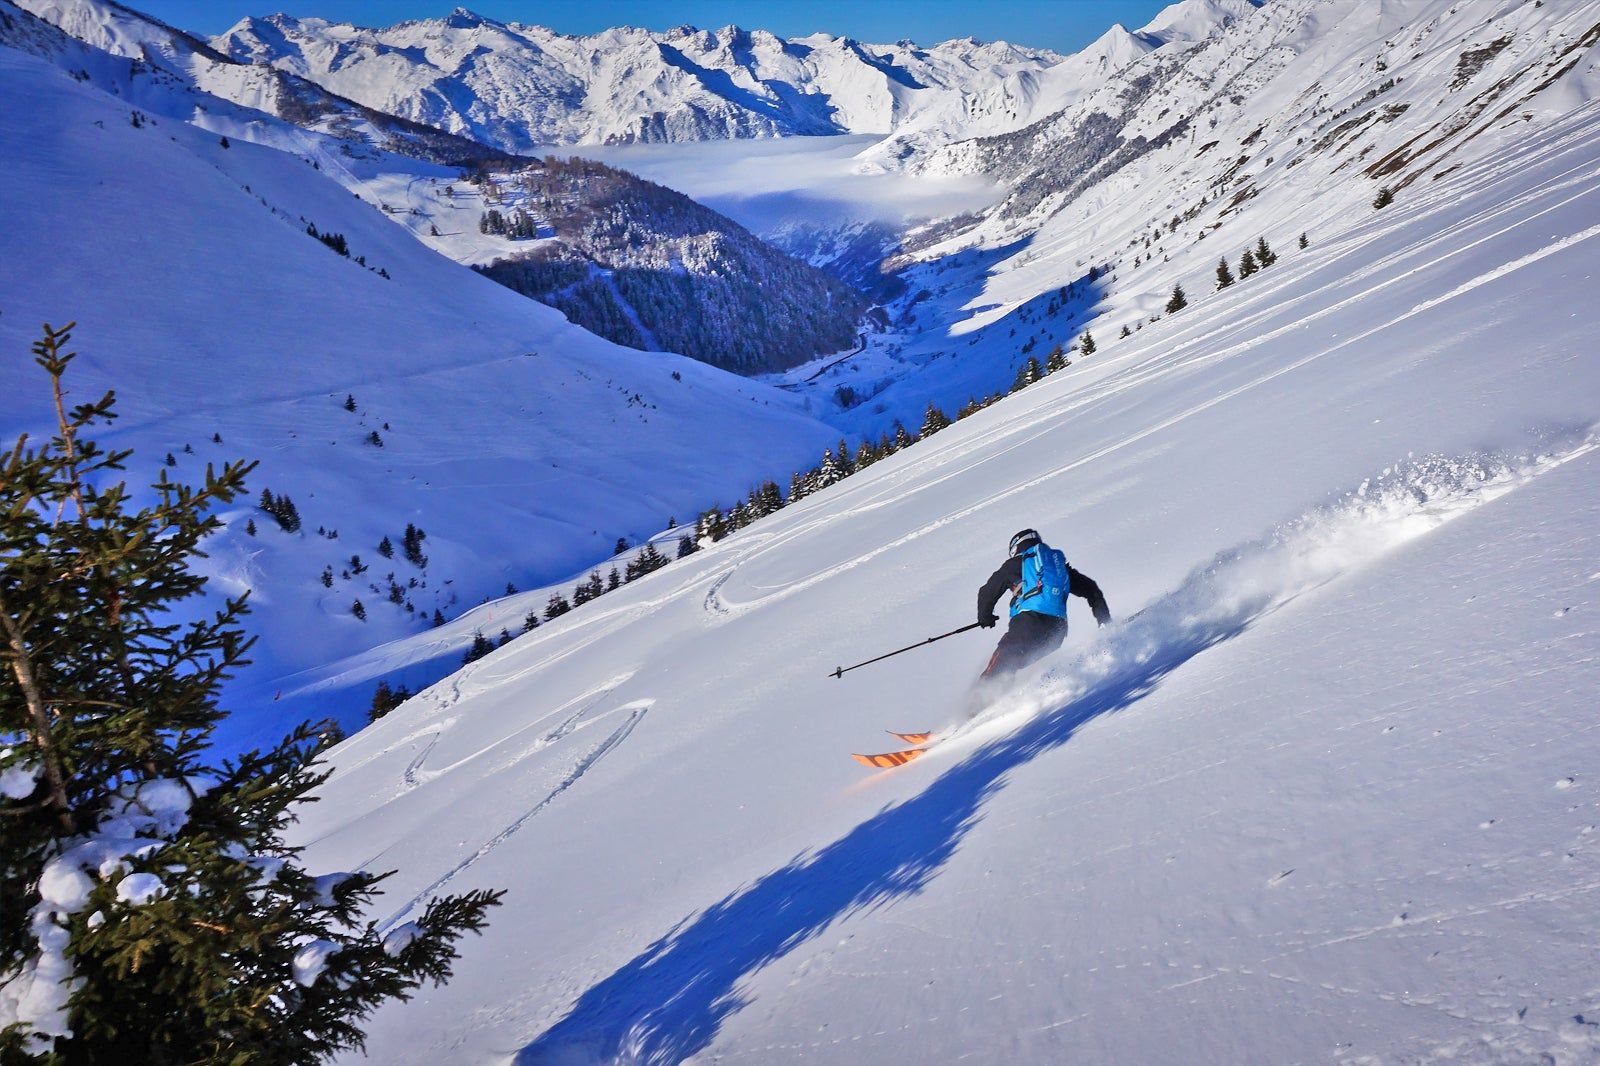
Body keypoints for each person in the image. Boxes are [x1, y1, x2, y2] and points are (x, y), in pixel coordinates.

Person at [975, 528, 1110, 687]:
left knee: (1004, 657)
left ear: (1015, 548)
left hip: (1029, 623)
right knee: (1017, 663)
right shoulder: (1057, 566)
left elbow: (986, 592)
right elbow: (1091, 589)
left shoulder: (1014, 563)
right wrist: (1106, 623)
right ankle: (1012, 693)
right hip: (1057, 631)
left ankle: (978, 701)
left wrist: (985, 618)